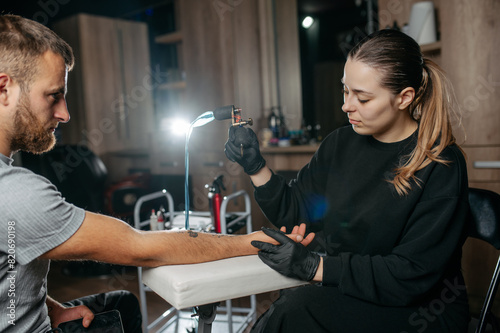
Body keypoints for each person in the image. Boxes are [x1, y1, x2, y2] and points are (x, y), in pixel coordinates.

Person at [0, 14, 313, 333]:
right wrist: (250, 241)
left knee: (122, 303)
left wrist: (47, 307)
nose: (65, 114)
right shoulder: (14, 193)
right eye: (53, 95)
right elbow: (141, 247)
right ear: (4, 89)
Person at [225, 29, 470, 332]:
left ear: (404, 97)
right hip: (354, 288)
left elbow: (411, 274)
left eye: (363, 97)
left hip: (422, 309)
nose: (347, 106)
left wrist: (315, 266)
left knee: (292, 314)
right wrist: (255, 166)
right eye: (345, 91)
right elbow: (297, 213)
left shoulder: (440, 163)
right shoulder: (341, 142)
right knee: (289, 310)